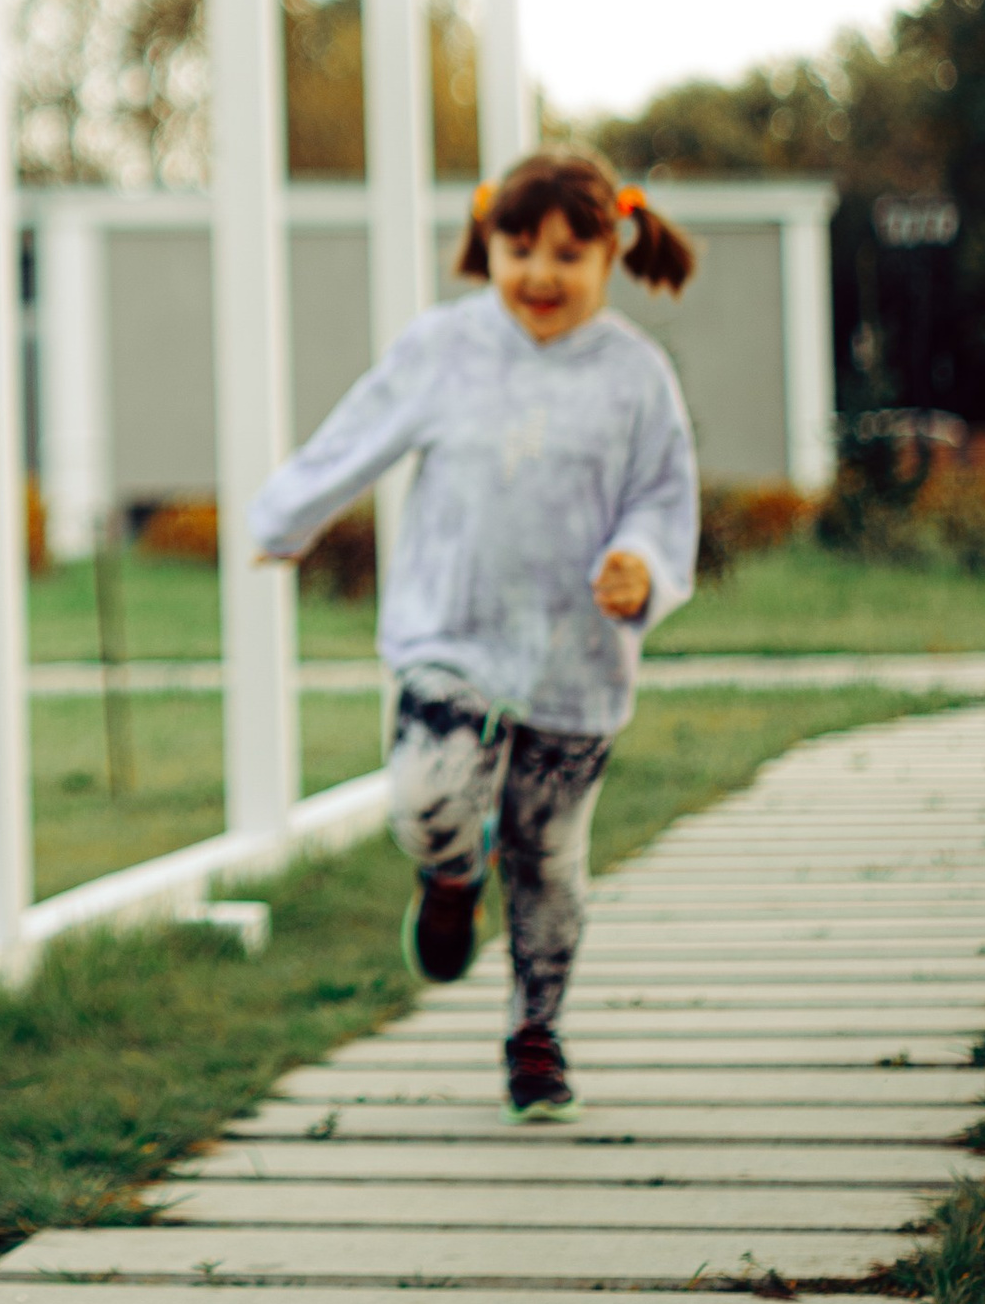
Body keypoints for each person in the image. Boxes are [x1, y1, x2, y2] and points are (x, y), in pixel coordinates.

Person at [247, 150, 699, 1125]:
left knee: (546, 862)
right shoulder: (444, 346)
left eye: (567, 255)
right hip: (448, 632)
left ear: (610, 254)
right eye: (518, 249)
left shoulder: (634, 378)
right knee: (425, 794)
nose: (540, 275)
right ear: (487, 243)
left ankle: (535, 1032)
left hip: (577, 660)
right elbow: (356, 430)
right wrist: (284, 517)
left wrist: (643, 567)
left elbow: (663, 500)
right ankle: (448, 876)